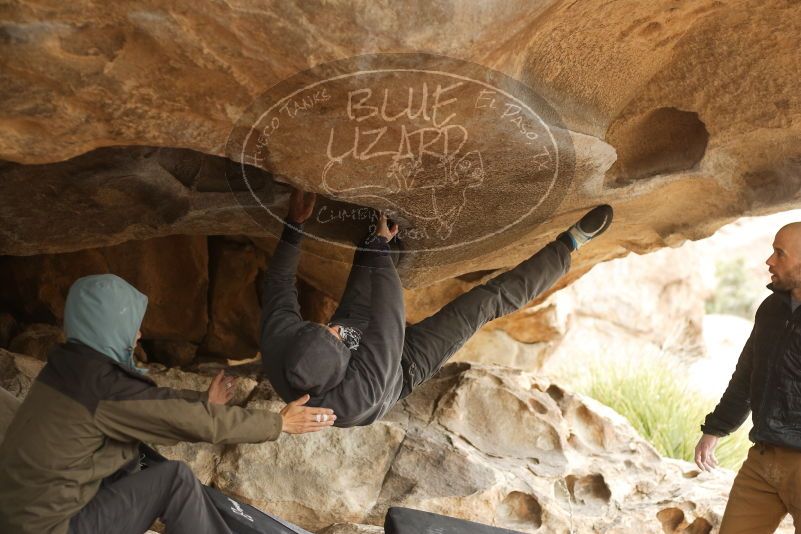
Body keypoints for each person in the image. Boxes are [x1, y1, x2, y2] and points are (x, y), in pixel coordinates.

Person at [0, 274, 336, 534]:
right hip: (52, 528)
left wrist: (202, 401)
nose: (138, 336)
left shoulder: (68, 370)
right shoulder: (102, 387)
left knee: (127, 456)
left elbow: (149, 406)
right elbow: (180, 419)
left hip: (23, 521)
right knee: (174, 479)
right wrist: (279, 423)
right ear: (108, 326)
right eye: (131, 325)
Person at [261, 188, 613, 427]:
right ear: (341, 372)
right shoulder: (359, 392)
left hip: (361, 339)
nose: (333, 327)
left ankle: (389, 241)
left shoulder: (280, 344)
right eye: (337, 338)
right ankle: (568, 246)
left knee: (371, 252)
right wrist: (380, 249)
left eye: (325, 327)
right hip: (403, 366)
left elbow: (278, 284)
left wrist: (294, 224)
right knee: (482, 303)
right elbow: (390, 316)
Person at [695, 222, 801, 533]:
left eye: (779, 254)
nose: (770, 261)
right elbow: (747, 376)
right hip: (763, 460)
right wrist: (716, 428)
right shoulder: (771, 310)